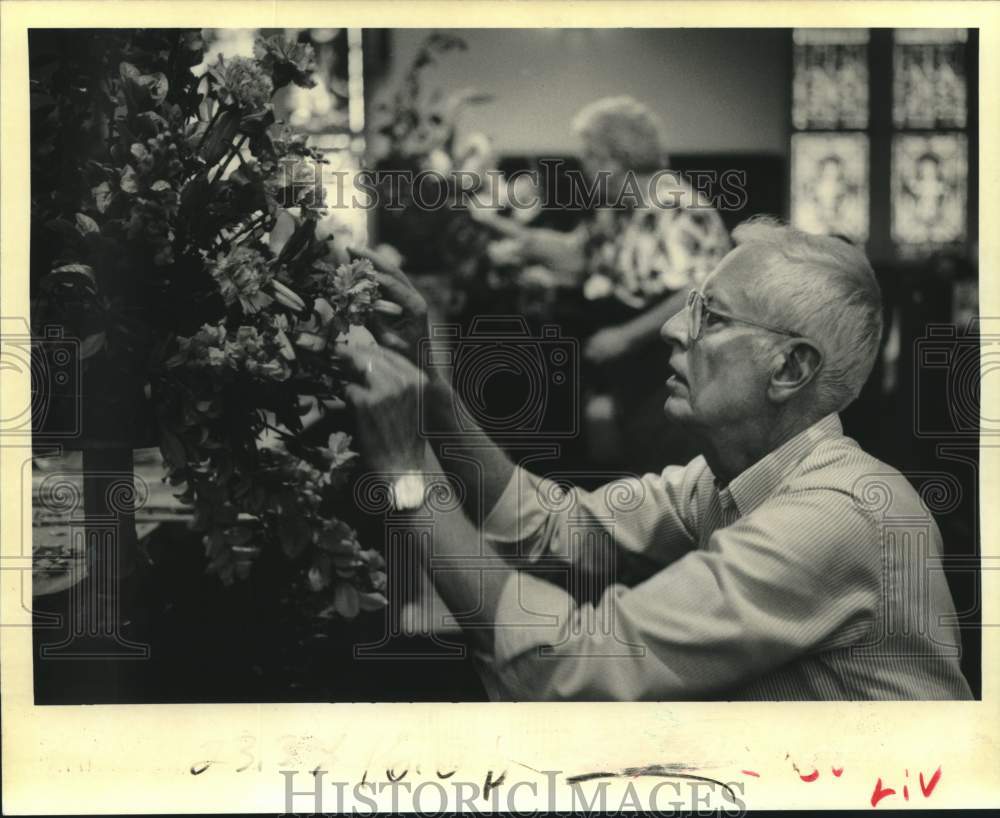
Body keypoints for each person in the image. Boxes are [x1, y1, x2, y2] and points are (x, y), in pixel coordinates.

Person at [338, 217, 973, 701]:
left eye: (710, 317)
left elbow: (572, 665)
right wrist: (431, 389)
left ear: (790, 367)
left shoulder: (838, 517)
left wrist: (407, 475)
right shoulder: (726, 477)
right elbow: (557, 528)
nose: (673, 330)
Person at [476, 96, 732, 471]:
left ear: (613, 159)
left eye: (589, 159)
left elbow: (694, 292)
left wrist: (625, 336)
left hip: (669, 374)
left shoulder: (678, 208)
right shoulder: (620, 208)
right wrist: (495, 226)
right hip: (633, 380)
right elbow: (575, 254)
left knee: (663, 468)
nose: (586, 171)